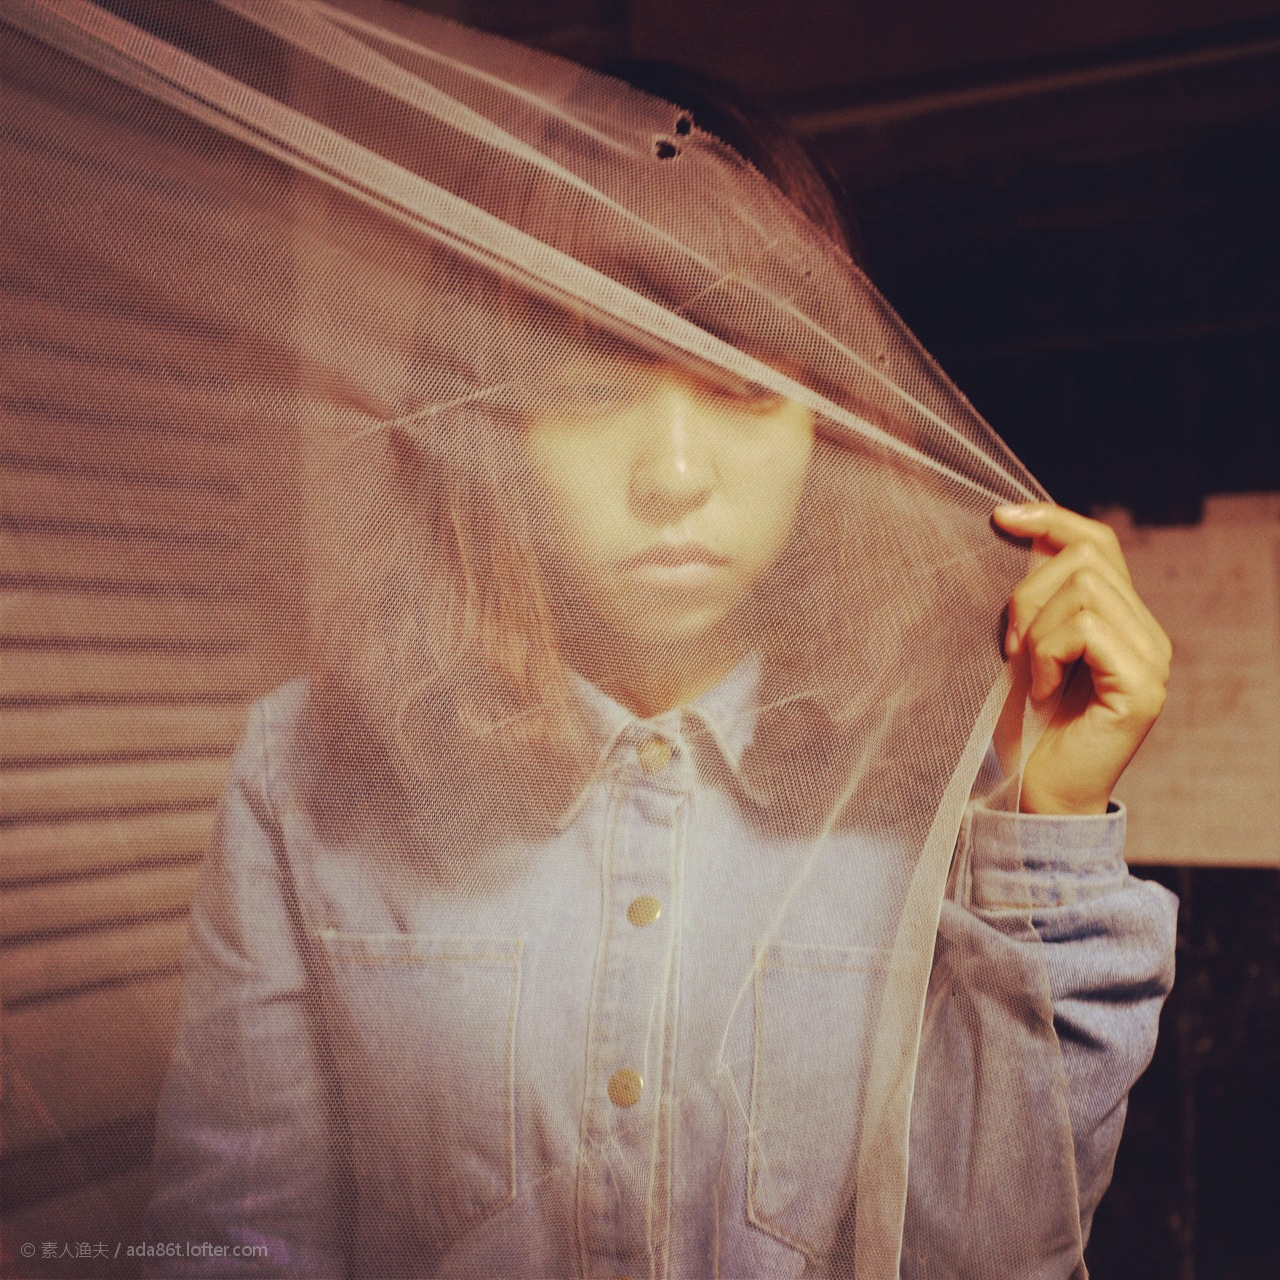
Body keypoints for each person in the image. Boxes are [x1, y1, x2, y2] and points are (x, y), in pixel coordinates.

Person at [92, 8, 1181, 1278]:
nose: (671, 474)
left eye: (743, 386)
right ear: (492, 421)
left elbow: (987, 1258)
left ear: (828, 425)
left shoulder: (935, 783)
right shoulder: (306, 774)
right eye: (592, 386)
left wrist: (1051, 822)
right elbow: (237, 1242)